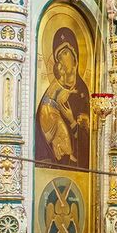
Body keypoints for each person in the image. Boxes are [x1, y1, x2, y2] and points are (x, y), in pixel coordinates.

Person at [36, 27, 91, 168]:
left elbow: (88, 140)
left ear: (75, 57)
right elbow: (41, 128)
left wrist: (72, 121)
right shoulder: (52, 90)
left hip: (78, 166)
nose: (62, 60)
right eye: (58, 57)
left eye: (65, 53)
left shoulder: (83, 92)